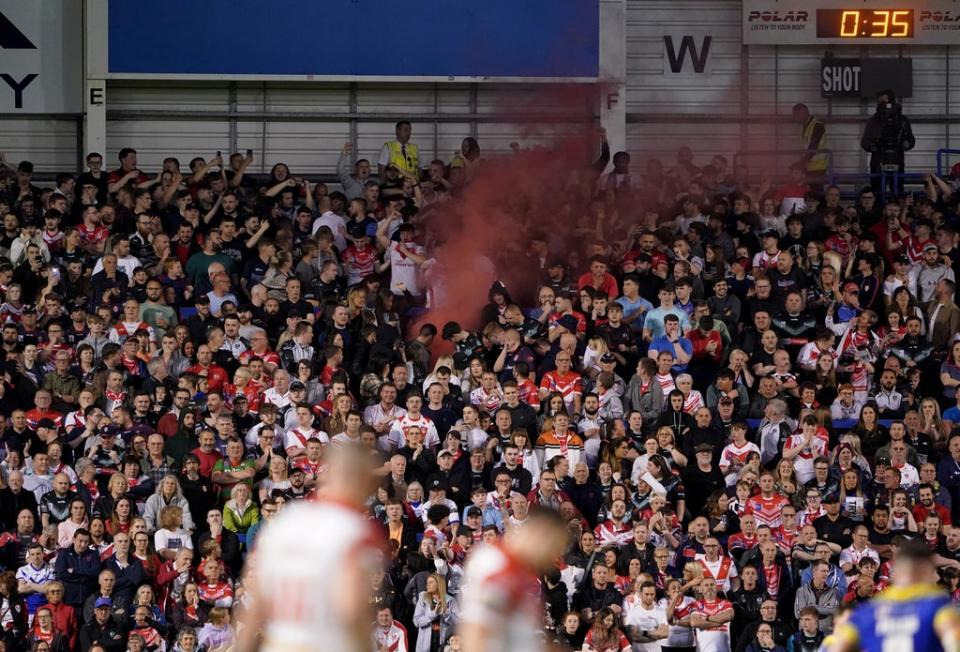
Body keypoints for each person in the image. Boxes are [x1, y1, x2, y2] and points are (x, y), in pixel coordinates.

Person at [235, 446, 383, 652]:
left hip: (281, 644)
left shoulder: (285, 520)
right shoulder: (355, 530)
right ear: (367, 481)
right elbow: (352, 607)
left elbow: (257, 602)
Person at [458, 507, 569, 652]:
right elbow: (477, 632)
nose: (551, 555)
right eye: (552, 547)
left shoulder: (524, 571)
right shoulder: (496, 564)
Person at [829, 539, 960, 652]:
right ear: (927, 570)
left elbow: (838, 647)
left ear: (896, 571)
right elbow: (954, 641)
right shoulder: (937, 606)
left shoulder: (868, 610)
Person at [860, 89, 915, 195]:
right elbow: (864, 142)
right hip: (877, 164)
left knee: (898, 193)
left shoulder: (902, 121)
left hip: (897, 163)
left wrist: (907, 144)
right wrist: (872, 146)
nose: (881, 105)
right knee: (877, 194)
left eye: (884, 102)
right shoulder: (873, 121)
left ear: (892, 103)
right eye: (879, 103)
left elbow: (911, 140)